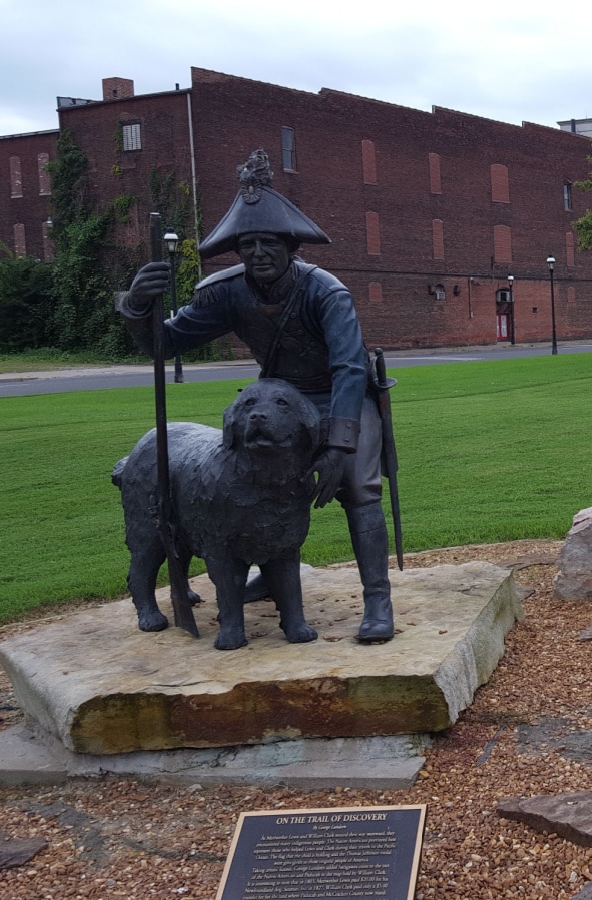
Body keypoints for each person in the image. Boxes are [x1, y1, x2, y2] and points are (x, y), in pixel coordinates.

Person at [118, 150, 395, 642]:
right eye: (248, 244)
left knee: (357, 486)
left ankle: (377, 599)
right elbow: (164, 343)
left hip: (339, 399)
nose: (259, 252)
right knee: (249, 483)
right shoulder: (225, 292)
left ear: (292, 247)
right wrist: (137, 305)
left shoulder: (326, 293)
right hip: (279, 406)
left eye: (270, 242)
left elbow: (350, 369)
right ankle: (268, 575)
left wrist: (336, 445)